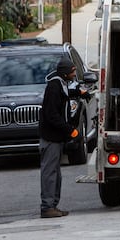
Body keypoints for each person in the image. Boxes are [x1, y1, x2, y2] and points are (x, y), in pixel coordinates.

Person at [39, 56, 87, 218]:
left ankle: (52, 206)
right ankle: (47, 207)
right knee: (50, 173)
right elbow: (51, 115)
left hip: (56, 138)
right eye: (73, 71)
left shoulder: (60, 84)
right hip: (50, 138)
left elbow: (65, 94)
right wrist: (70, 131)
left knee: (55, 174)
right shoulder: (54, 87)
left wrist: (78, 92)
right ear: (66, 72)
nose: (74, 74)